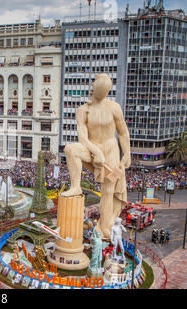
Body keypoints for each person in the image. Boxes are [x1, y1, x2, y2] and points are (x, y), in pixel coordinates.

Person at [61, 74, 131, 240]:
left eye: (105, 91)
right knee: (71, 149)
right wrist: (96, 152)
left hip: (111, 149)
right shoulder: (82, 110)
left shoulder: (114, 107)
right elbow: (82, 137)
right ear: (93, 88)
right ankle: (76, 186)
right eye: (99, 90)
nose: (102, 93)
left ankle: (105, 227)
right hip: (91, 149)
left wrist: (127, 152)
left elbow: (123, 132)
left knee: (108, 190)